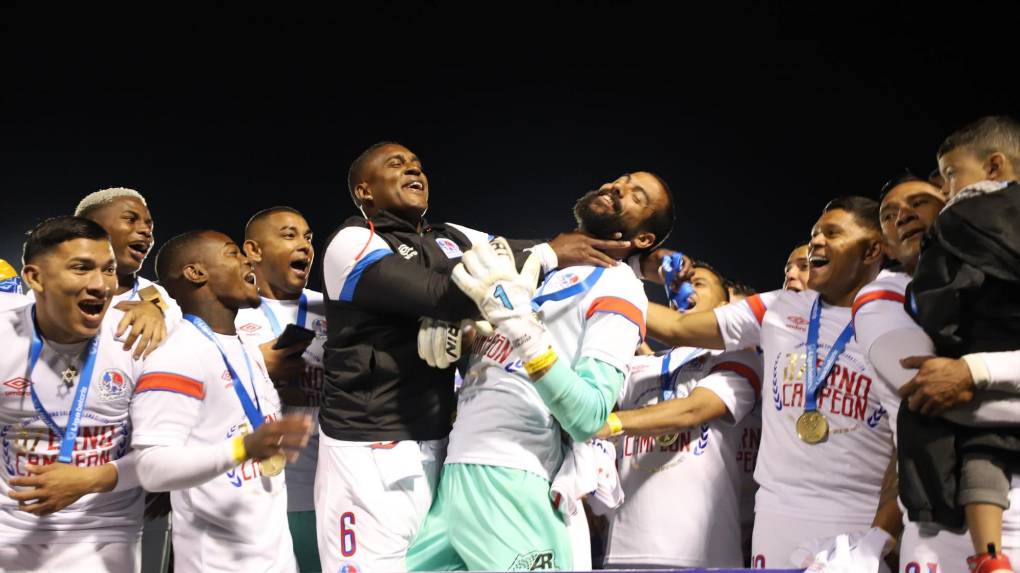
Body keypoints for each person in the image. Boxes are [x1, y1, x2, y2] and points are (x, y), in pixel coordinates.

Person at [314, 142, 639, 572]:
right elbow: (440, 294)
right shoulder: (352, 241)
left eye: (418, 165)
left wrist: (636, 258)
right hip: (367, 444)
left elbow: (520, 254)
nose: (414, 170)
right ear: (364, 190)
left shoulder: (452, 236)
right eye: (397, 164)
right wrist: (545, 255)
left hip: (441, 448)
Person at [407, 170, 673, 571]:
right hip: (456, 473)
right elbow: (509, 358)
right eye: (620, 180)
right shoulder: (544, 268)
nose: (617, 187)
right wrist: (465, 341)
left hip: (513, 480)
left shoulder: (620, 289)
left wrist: (519, 324)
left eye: (637, 196)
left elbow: (589, 416)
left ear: (644, 239)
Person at [643, 196, 896, 568]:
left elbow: (909, 443)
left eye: (832, 233)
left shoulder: (898, 317)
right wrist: (611, 286)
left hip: (858, 513)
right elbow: (677, 327)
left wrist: (879, 537)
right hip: (777, 513)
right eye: (815, 233)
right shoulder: (777, 306)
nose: (816, 242)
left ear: (872, 250)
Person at [127, 230, 313, 573]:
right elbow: (152, 468)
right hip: (217, 564)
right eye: (233, 253)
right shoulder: (178, 355)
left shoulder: (247, 352)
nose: (247, 261)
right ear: (196, 272)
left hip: (276, 560)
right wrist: (244, 448)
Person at [895, 116, 1020, 573]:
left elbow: (942, 298)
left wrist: (962, 359)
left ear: (994, 166)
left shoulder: (961, 218)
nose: (945, 191)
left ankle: (989, 557)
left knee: (979, 449)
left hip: (984, 348)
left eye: (950, 175)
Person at [0, 217, 144, 572]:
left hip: (105, 534)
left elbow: (164, 452)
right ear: (34, 278)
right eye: (81, 268)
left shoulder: (141, 338)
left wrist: (91, 479)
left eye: (108, 270)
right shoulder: (4, 332)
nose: (100, 285)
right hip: (8, 535)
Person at [597, 262, 762, 569]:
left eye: (699, 284)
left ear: (724, 309)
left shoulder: (737, 356)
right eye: (677, 288)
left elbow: (694, 409)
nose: (685, 291)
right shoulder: (634, 364)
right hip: (623, 550)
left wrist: (611, 424)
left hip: (702, 552)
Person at [236, 206, 324, 572]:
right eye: (289, 236)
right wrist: (260, 371)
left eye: (308, 237)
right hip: (252, 492)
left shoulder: (331, 309)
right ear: (253, 250)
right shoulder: (230, 313)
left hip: (327, 487)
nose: (304, 245)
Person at [74, 187, 181, 359]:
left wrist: (157, 312)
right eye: (130, 219)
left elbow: (177, 334)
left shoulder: (152, 294)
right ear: (90, 228)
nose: (146, 231)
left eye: (149, 225)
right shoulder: (55, 284)